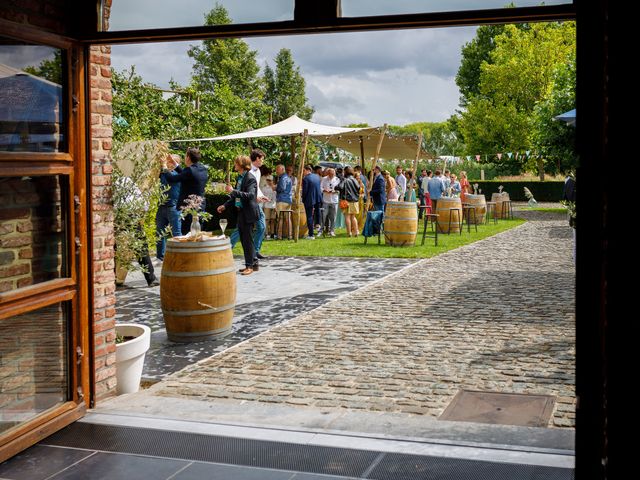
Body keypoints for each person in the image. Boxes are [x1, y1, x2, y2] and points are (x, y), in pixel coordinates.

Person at [217, 155, 260, 275]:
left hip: (248, 213)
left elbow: (251, 195)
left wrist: (233, 191)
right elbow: (235, 196)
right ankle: (254, 263)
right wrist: (225, 205)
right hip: (241, 212)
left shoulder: (250, 178)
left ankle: (249, 266)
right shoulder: (240, 178)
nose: (235, 165)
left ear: (241, 165)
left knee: (247, 240)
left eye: (236, 163)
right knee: (245, 239)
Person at [114, 175, 158, 287]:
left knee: (116, 249)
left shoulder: (116, 183)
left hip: (120, 218)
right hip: (133, 216)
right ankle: (151, 279)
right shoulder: (129, 182)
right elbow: (144, 205)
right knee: (141, 248)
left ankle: (115, 278)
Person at [164, 147, 209, 234]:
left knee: (188, 234)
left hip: (189, 208)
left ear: (188, 157)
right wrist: (174, 163)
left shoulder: (189, 171)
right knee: (197, 233)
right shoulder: (202, 169)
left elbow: (172, 179)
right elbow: (186, 174)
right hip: (200, 206)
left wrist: (164, 167)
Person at [155, 154, 182, 261]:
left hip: (173, 207)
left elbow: (171, 178)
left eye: (170, 161)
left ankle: (180, 256)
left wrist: (164, 166)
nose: (167, 163)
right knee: (159, 233)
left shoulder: (176, 174)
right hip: (162, 206)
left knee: (176, 233)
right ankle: (160, 257)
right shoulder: (164, 173)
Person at [301, 164, 323, 239]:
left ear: (308, 170)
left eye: (303, 170)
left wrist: (303, 199)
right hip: (318, 198)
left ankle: (311, 234)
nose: (303, 172)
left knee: (309, 216)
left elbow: (305, 191)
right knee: (317, 212)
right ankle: (318, 224)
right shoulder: (317, 177)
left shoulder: (305, 179)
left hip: (309, 199)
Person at [342, 167, 361, 237]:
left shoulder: (346, 180)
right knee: (353, 217)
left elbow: (340, 187)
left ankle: (349, 233)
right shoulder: (355, 180)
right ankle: (356, 232)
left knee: (347, 217)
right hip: (355, 201)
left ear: (346, 172)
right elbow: (359, 189)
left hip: (347, 200)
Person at [275, 164, 293, 239]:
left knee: (280, 218)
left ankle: (279, 236)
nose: (276, 171)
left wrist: (275, 188)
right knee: (288, 219)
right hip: (288, 200)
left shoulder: (282, 178)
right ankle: (290, 235)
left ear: (282, 170)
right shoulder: (288, 178)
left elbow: (282, 188)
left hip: (282, 199)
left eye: (277, 170)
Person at [320, 167, 340, 236]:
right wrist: (324, 190)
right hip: (326, 200)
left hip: (334, 201)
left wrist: (334, 191)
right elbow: (320, 187)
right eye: (330, 174)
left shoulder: (337, 179)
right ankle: (321, 230)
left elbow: (340, 189)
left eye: (333, 174)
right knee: (323, 216)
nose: (331, 175)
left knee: (333, 217)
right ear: (328, 173)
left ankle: (332, 231)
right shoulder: (324, 179)